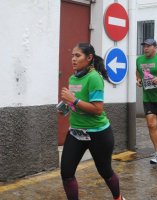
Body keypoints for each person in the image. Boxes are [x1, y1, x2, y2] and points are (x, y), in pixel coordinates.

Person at [59, 43, 125, 200]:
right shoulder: (73, 78)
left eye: (78, 56)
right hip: (76, 132)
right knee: (66, 173)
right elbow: (76, 102)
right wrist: (66, 106)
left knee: (105, 171)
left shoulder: (94, 78)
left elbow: (97, 109)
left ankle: (118, 198)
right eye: (72, 56)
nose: (73, 59)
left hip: (98, 133)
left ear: (89, 58)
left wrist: (73, 100)